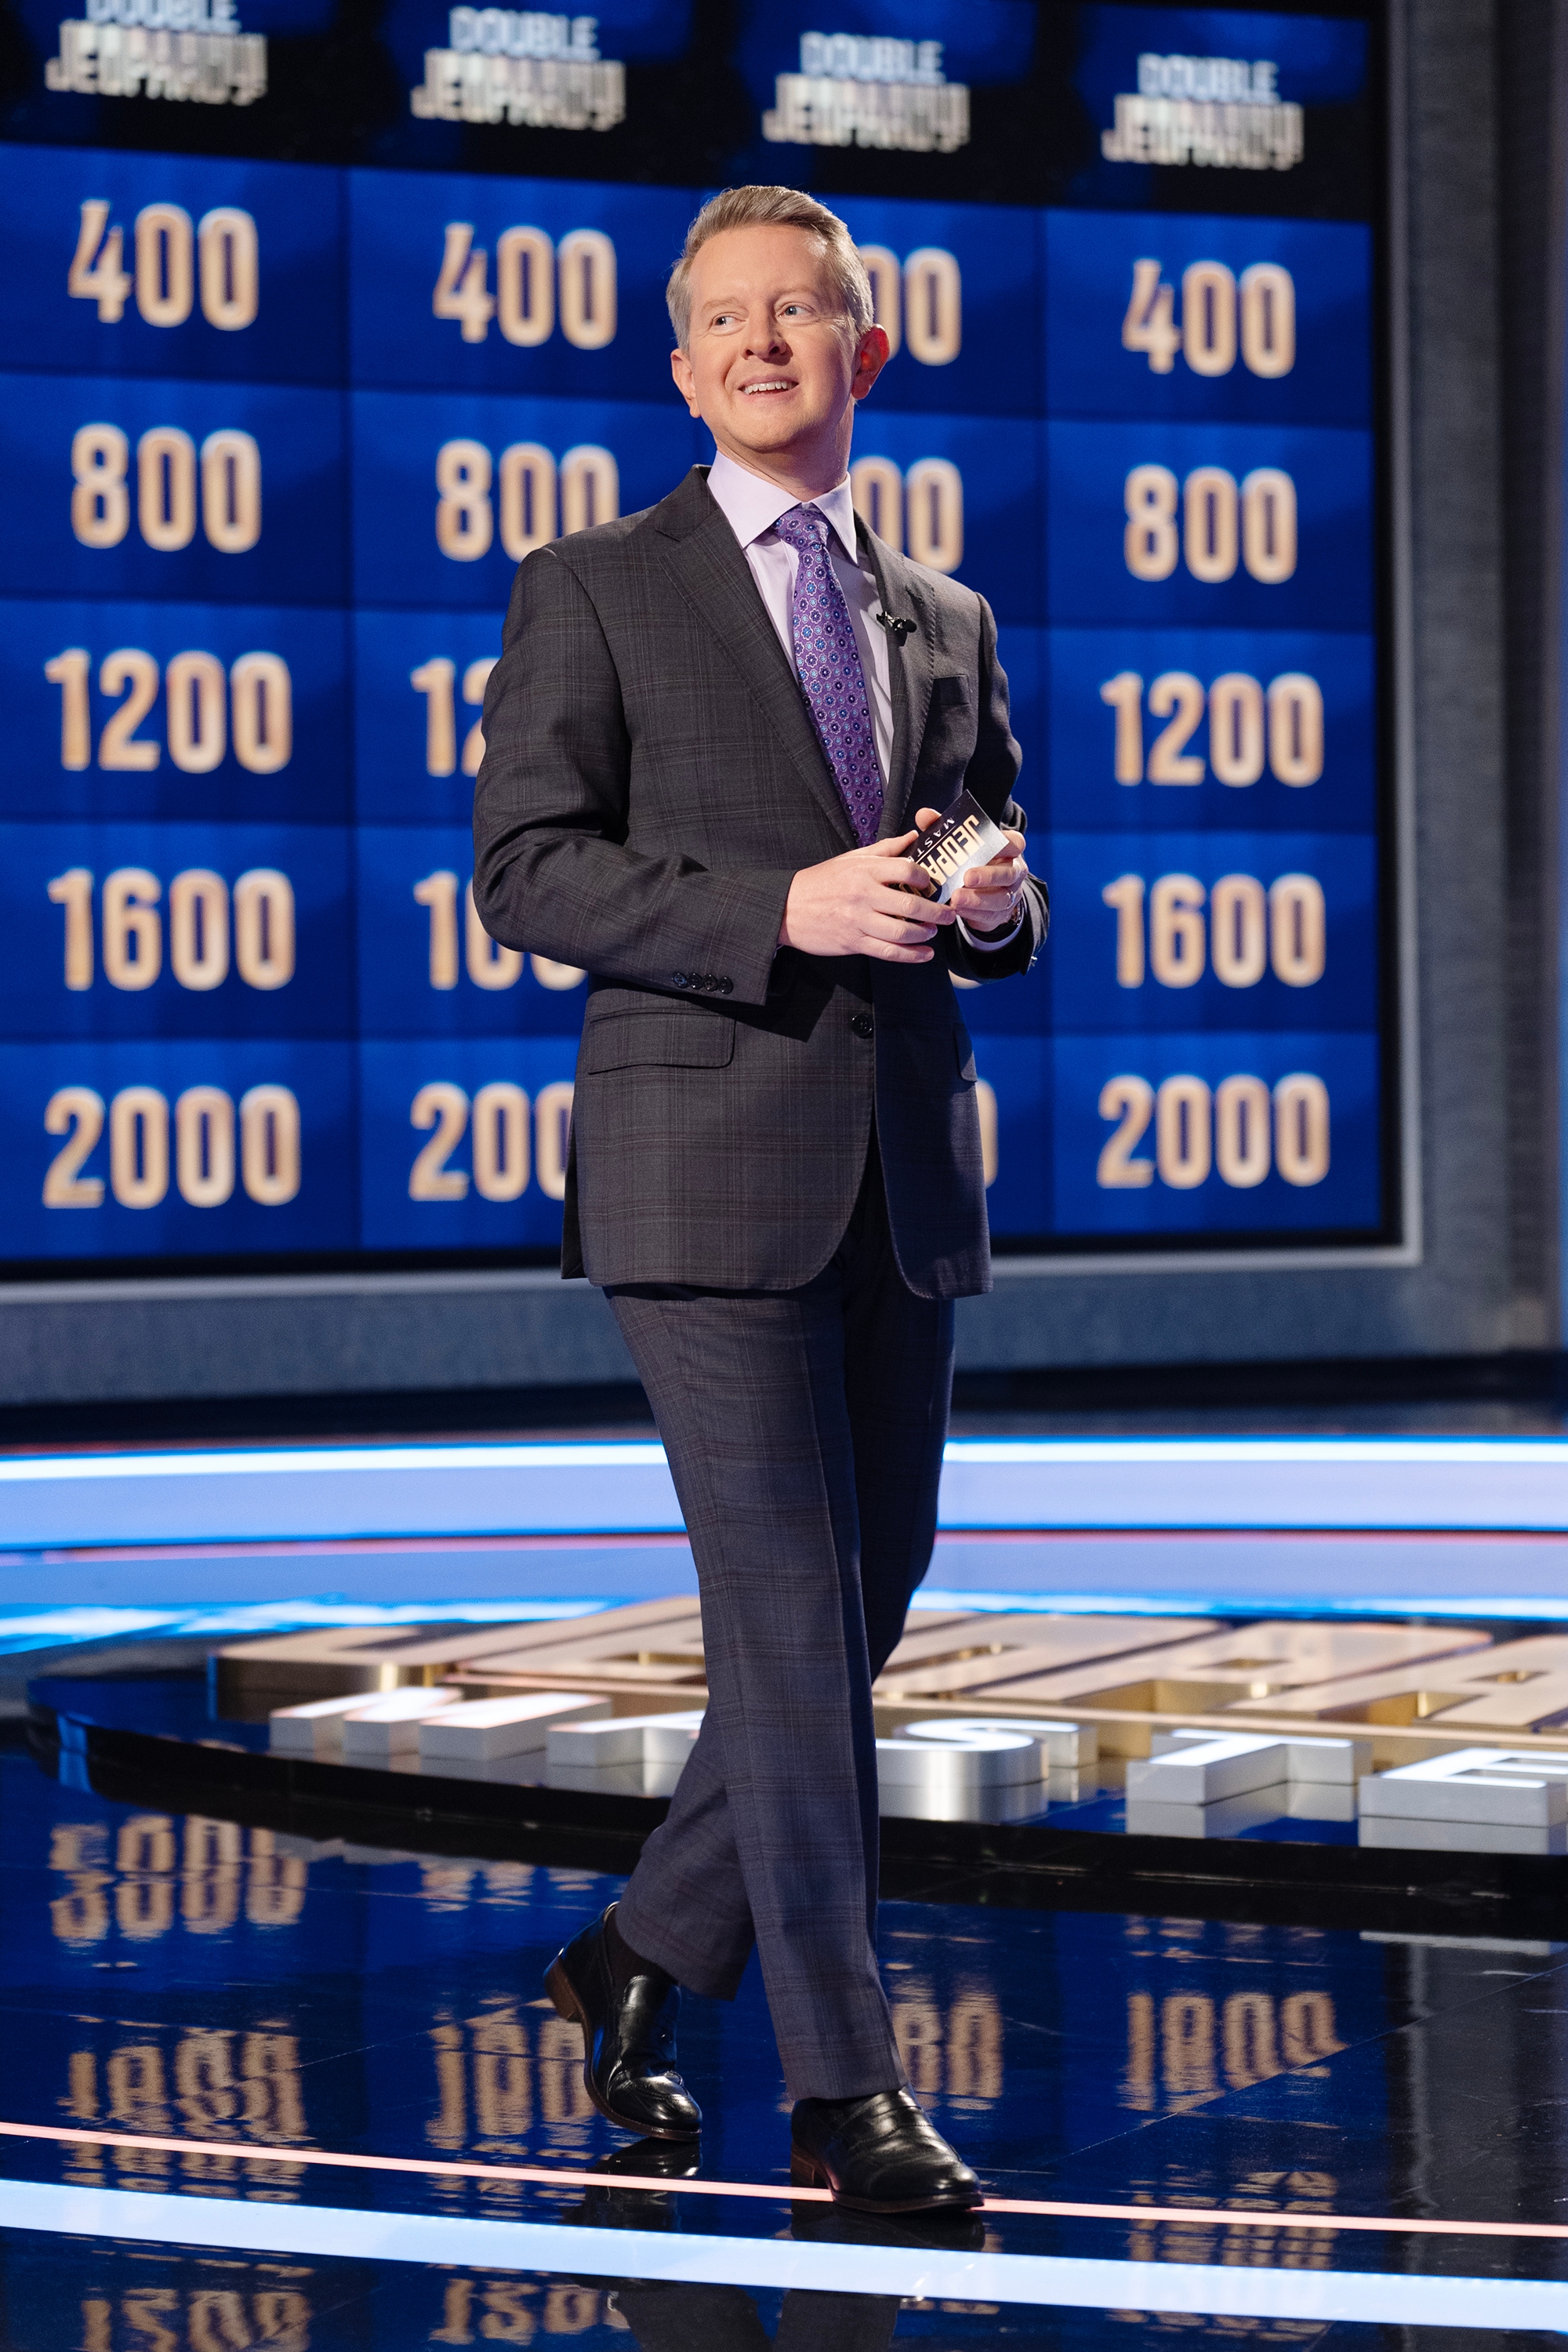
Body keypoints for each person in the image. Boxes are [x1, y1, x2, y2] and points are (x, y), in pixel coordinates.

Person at [473, 183, 1047, 2216]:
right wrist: (772, 910)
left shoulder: (946, 615)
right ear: (683, 358)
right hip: (696, 1167)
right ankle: (842, 2091)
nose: (763, 343)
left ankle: (637, 1952)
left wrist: (986, 900)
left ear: (862, 351)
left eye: (801, 312)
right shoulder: (597, 585)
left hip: (898, 1177)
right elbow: (524, 869)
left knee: (853, 1614)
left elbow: (994, 869)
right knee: (794, 1626)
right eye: (727, 318)